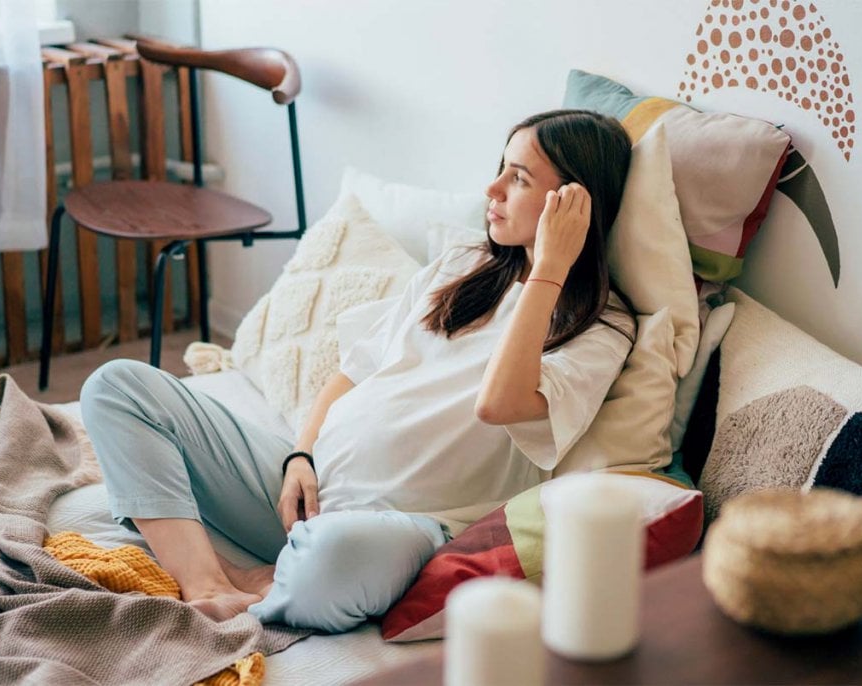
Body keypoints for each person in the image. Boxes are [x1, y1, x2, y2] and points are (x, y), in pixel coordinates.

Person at [80, 109, 636, 633]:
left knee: (334, 558)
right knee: (116, 386)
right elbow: (352, 372)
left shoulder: (601, 328)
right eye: (500, 171)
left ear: (574, 205)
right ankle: (209, 581)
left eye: (517, 178)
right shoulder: (464, 263)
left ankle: (266, 575)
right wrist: (300, 455)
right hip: (303, 491)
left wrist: (551, 267)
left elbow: (500, 404)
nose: (491, 191)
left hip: (400, 529)